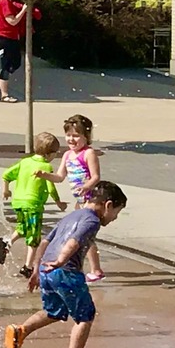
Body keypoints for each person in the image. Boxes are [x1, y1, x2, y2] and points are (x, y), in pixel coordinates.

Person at [6, 180, 129, 348]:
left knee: (53, 311)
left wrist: (36, 270)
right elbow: (74, 241)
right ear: (108, 205)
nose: (114, 218)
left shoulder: (71, 216)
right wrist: (61, 260)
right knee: (85, 315)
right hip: (65, 271)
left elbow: (46, 241)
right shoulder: (92, 220)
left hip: (47, 270)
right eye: (117, 212)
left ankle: (21, 331)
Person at [0, 132, 63, 276]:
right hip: (33, 205)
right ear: (50, 154)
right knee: (34, 236)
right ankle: (28, 267)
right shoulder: (45, 167)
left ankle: (7, 242)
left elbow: (6, 175)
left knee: (23, 227)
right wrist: (58, 202)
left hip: (19, 202)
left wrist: (6, 191)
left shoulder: (25, 162)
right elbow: (51, 187)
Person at [58, 115, 105, 280]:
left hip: (90, 200)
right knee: (83, 235)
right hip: (79, 201)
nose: (71, 139)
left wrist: (87, 186)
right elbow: (59, 176)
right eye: (69, 135)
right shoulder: (67, 155)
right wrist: (43, 175)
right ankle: (86, 267)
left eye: (76, 135)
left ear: (87, 136)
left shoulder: (88, 153)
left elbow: (96, 177)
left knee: (85, 236)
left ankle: (96, 270)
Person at [0, 0, 36, 103]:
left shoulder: (8, 2)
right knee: (6, 65)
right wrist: (23, 10)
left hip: (12, 37)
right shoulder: (4, 2)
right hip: (4, 37)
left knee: (15, 63)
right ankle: (4, 95)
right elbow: (12, 21)